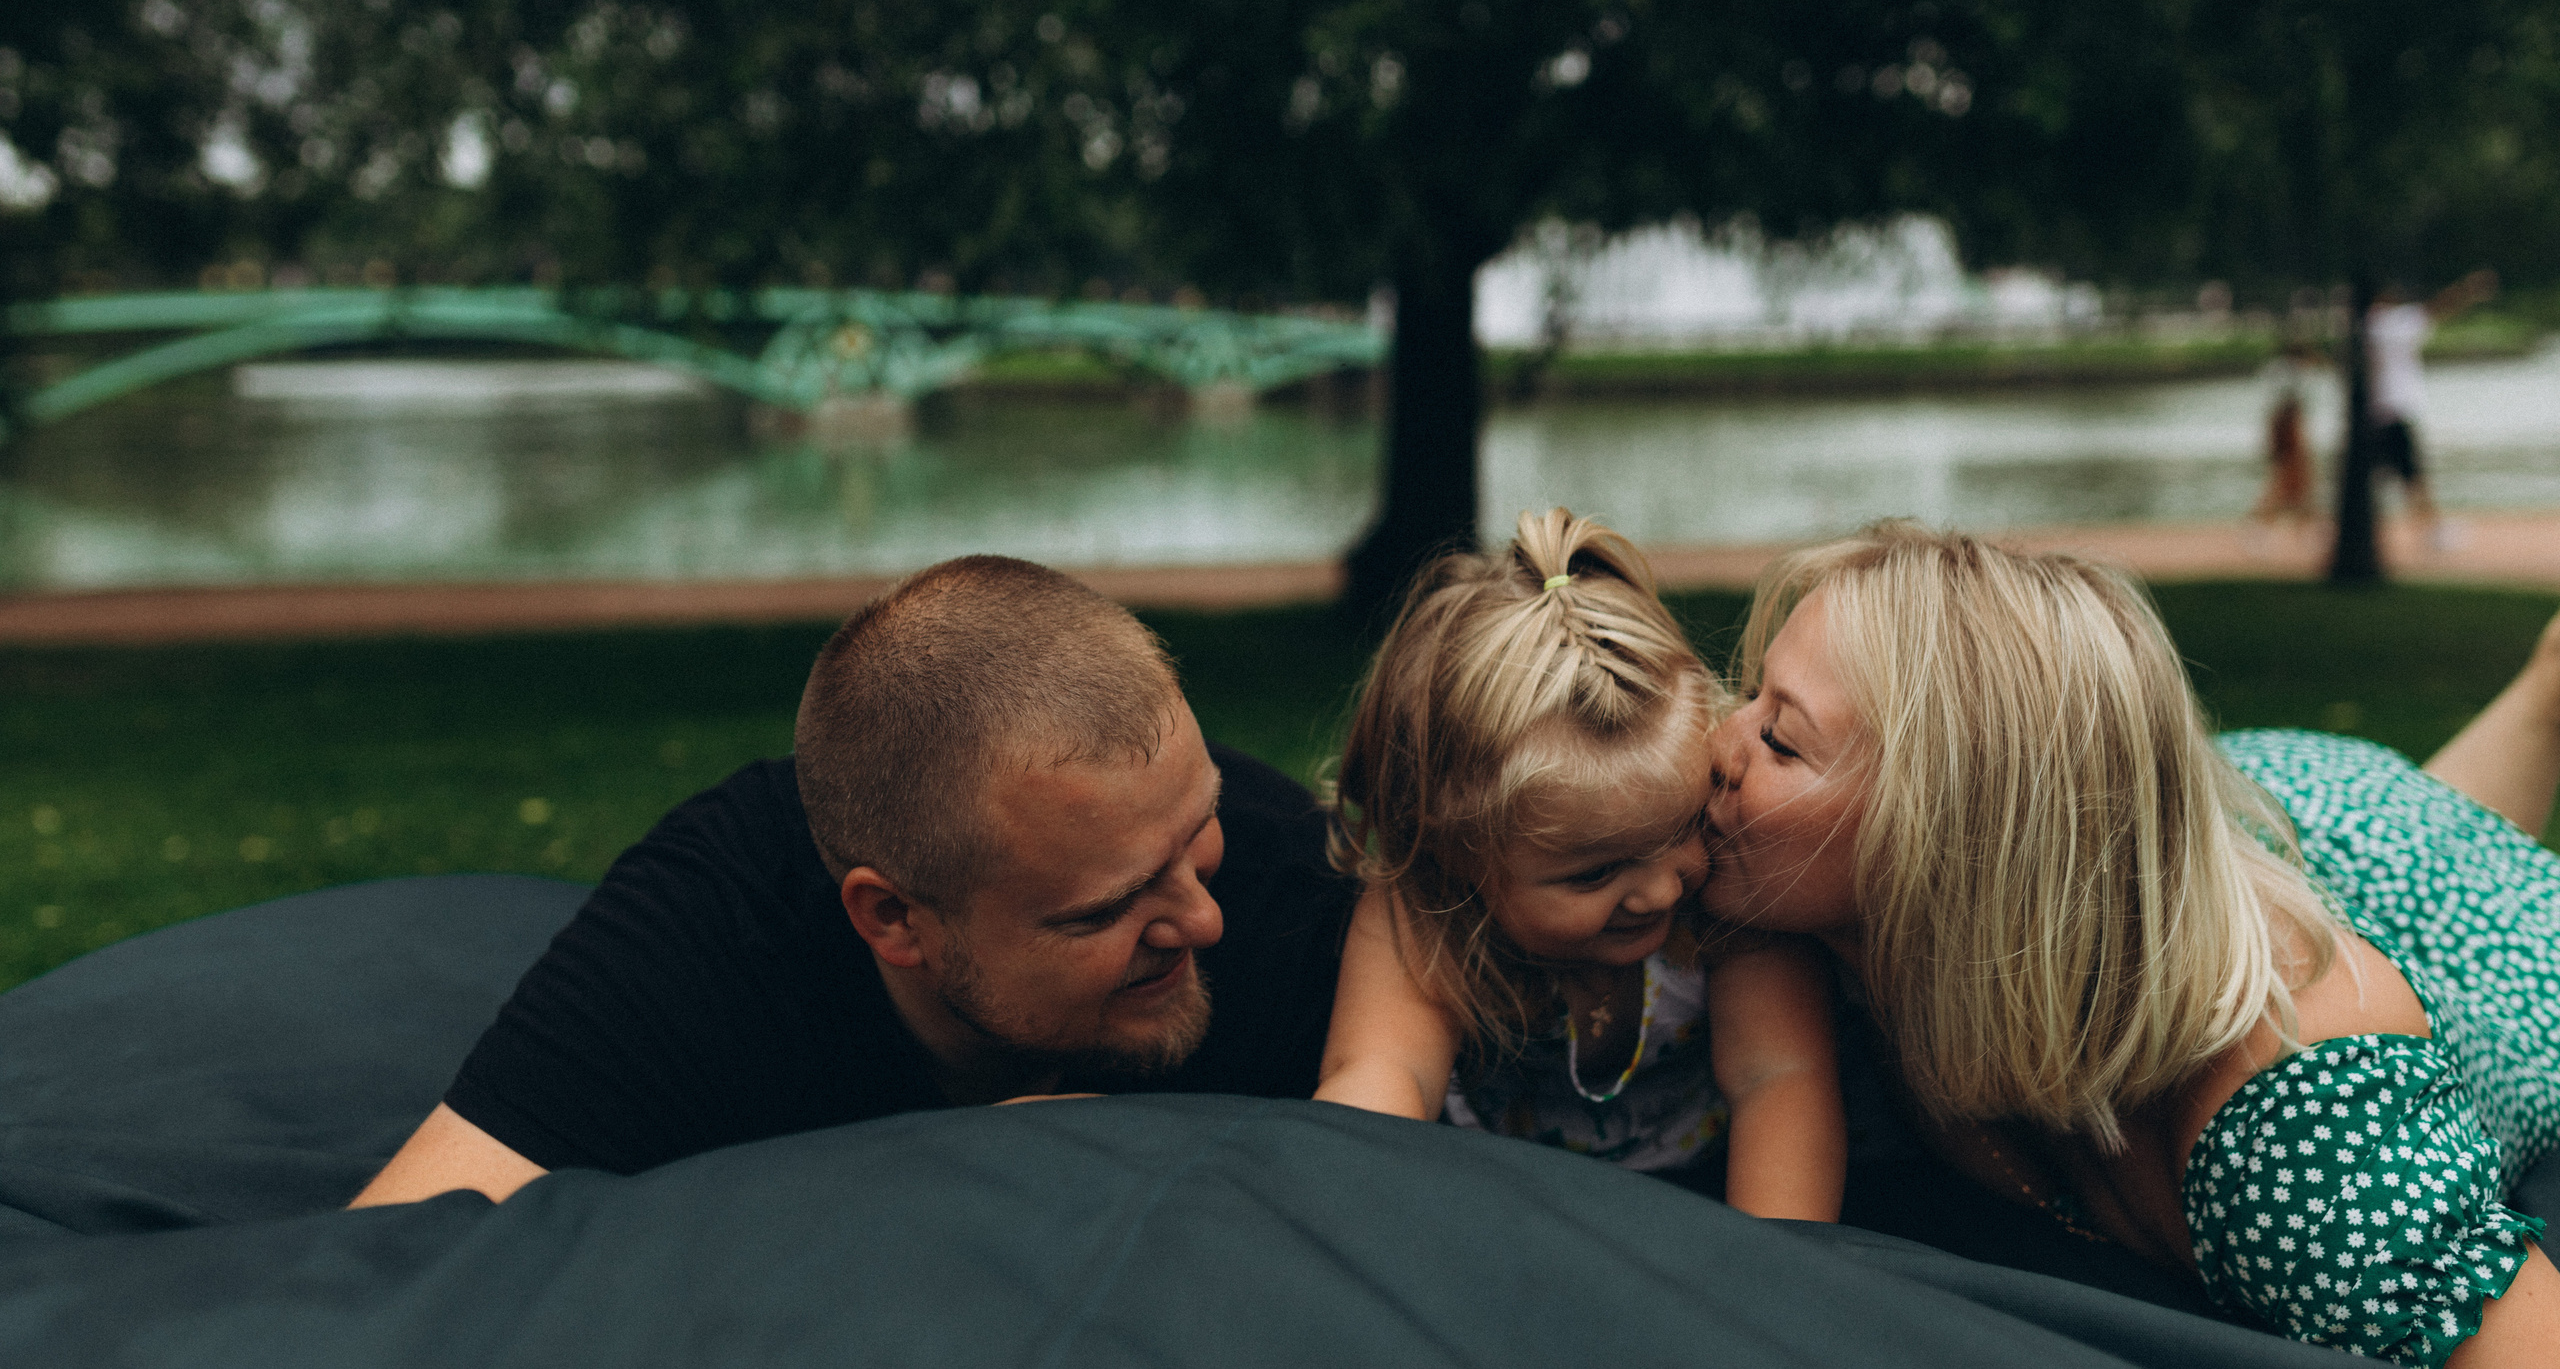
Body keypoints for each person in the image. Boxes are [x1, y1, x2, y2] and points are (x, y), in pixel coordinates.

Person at [1701, 521, 2560, 1364]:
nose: (1716, 746)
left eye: (1779, 738)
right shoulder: (1849, 920)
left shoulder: (2302, 1129)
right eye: (1749, 698)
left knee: (2436, 845)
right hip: (2254, 818)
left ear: (1956, 846)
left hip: (2461, 914)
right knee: (2397, 833)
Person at [351, 555, 1356, 1207]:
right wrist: (927, 1179)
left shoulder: (1288, 887)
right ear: (890, 917)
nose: (1202, 917)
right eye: (1105, 909)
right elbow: (400, 1260)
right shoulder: (715, 929)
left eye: (1196, 832)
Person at [1311, 509, 1845, 1222]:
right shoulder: (1425, 912)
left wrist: (1774, 1270)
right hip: (1509, 1218)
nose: (1662, 888)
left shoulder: (1729, 896)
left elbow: (1778, 1078)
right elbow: (1379, 1076)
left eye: (1684, 824)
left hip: (1714, 1207)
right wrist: (1334, 1223)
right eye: (1594, 873)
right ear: (1457, 851)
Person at [2366, 270, 2497, 550]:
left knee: (2379, 479)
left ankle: (2424, 531)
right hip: (2395, 412)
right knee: (2413, 478)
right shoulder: (2390, 324)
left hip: (2373, 414)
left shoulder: (2363, 327)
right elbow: (2437, 308)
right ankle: (2433, 533)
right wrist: (2468, 289)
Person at [2246, 337, 2321, 543]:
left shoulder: (2277, 370)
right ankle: (2262, 528)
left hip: (2284, 429)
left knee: (2299, 482)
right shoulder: (2293, 374)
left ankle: (2304, 528)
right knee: (2286, 481)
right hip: (2288, 431)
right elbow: (2289, 408)